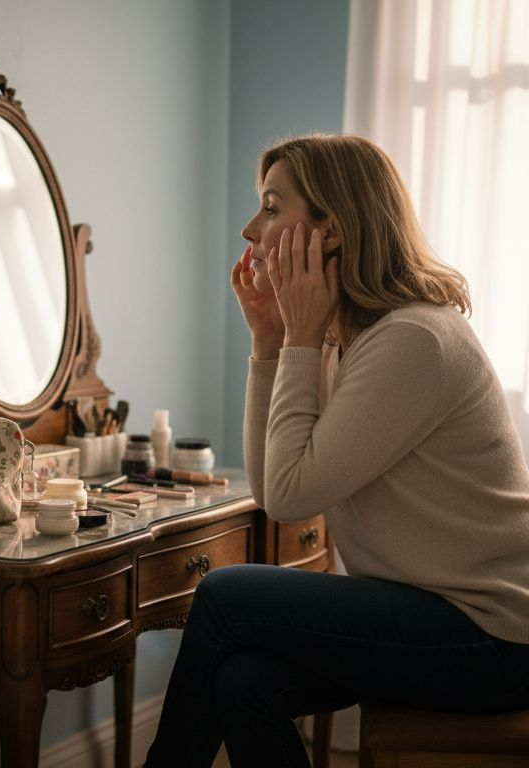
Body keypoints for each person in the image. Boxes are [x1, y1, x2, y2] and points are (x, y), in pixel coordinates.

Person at [144, 134, 529, 767]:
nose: (249, 230)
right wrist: (270, 341)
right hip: (426, 613)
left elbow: (288, 499)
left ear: (333, 231)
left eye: (271, 208)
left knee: (224, 595)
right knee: (243, 683)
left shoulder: (413, 340)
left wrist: (295, 338)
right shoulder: (341, 339)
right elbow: (273, 487)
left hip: (492, 637)